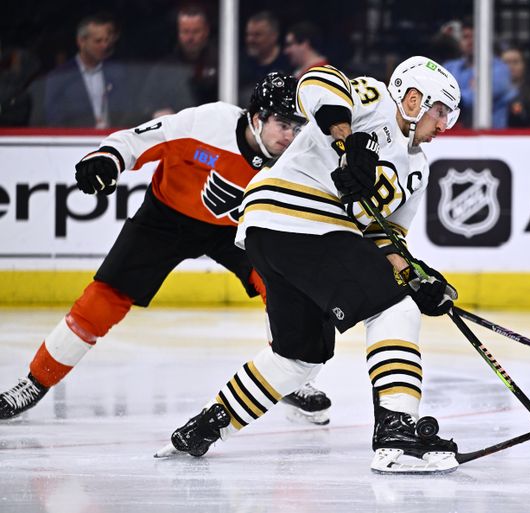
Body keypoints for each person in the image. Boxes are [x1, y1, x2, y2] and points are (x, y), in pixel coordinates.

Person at [159, 56, 462, 474]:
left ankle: (207, 425)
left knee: (299, 356)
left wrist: (413, 276)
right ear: (413, 99)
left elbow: (381, 237)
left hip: (278, 235)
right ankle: (396, 433)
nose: (445, 124)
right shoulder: (374, 101)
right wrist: (348, 140)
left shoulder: (418, 170)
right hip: (298, 218)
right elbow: (314, 81)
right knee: (392, 308)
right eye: (440, 111)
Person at [0, 71, 331, 425]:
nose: (291, 135)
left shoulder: (300, 153)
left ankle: (291, 376)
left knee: (286, 290)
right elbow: (135, 141)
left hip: (238, 229)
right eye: (283, 123)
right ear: (257, 116)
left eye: (299, 125)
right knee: (104, 298)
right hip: (166, 219)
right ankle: (35, 382)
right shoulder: (207, 123)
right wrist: (108, 158)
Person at [32, 14, 136, 128]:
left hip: (113, 140)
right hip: (76, 141)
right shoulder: (60, 76)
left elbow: (129, 111)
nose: (104, 46)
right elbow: (54, 119)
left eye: (107, 40)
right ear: (81, 41)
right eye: (98, 41)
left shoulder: (117, 73)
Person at [142, 5, 218, 118]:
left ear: (206, 31)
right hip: (176, 132)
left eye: (196, 31)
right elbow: (146, 103)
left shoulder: (222, 63)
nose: (190, 37)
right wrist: (157, 113)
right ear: (178, 32)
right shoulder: (165, 68)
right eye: (185, 32)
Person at [443, 17, 515, 128]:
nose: (471, 41)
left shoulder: (500, 69)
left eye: (476, 37)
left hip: (493, 137)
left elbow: (476, 99)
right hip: (453, 137)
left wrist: (451, 95)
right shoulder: (449, 67)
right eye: (466, 37)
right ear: (459, 42)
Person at [239, 11, 291, 106]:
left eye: (257, 35)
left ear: (274, 36)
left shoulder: (289, 62)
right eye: (248, 34)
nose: (250, 40)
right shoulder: (239, 64)